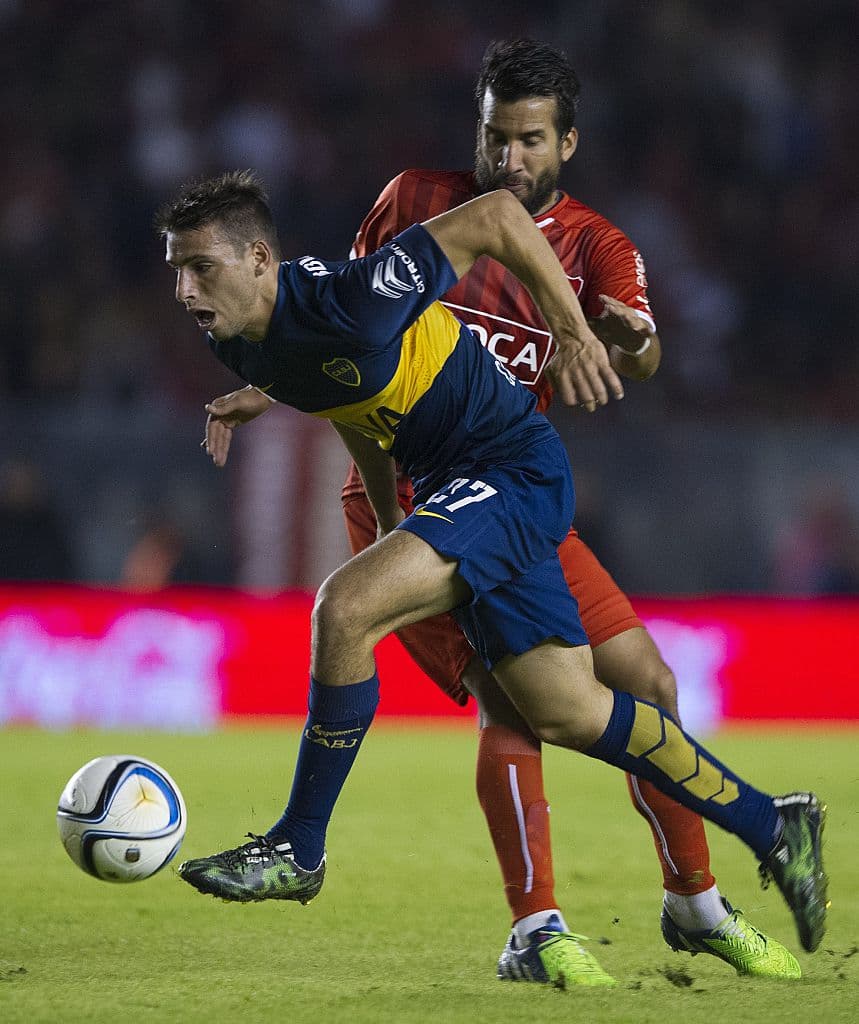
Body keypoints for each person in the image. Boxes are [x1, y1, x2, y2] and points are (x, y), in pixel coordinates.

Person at [196, 42, 804, 984]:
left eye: (529, 141)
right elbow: (338, 339)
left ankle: (697, 900)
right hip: (408, 492)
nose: (509, 159)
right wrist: (280, 401)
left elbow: (634, 355)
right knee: (516, 706)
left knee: (641, 679)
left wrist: (621, 339)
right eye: (494, 137)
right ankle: (538, 926)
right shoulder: (413, 200)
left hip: (504, 482)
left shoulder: (595, 246)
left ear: (567, 142)